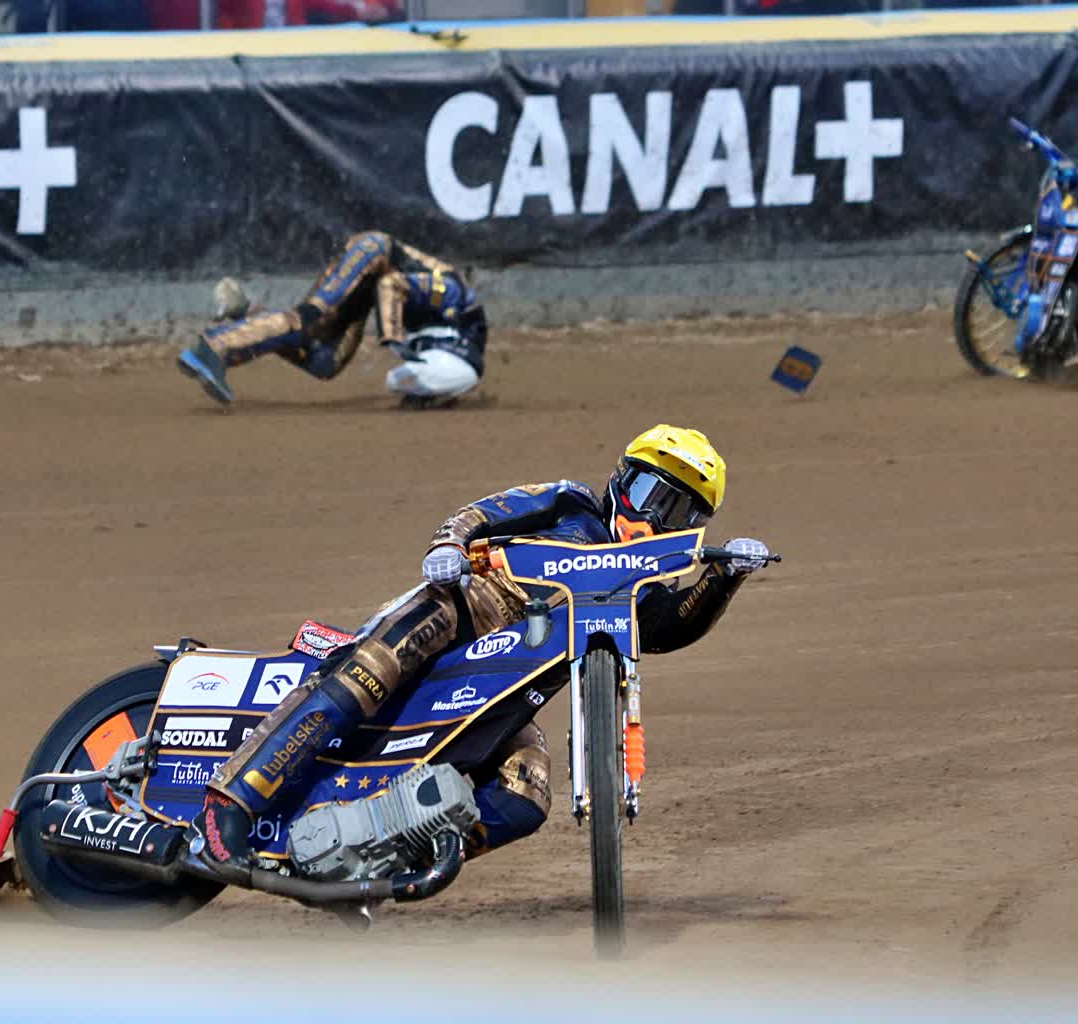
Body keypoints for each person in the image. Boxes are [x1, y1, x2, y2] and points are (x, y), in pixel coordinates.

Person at [189, 424, 773, 868]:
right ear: (622, 479)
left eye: (680, 512)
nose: (655, 518)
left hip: (506, 692)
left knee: (528, 792)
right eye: (651, 493)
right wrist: (448, 547)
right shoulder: (570, 502)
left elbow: (672, 628)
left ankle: (383, 858)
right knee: (370, 670)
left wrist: (725, 577)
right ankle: (230, 804)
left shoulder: (643, 588)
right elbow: (482, 513)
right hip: (461, 612)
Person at [176, 231, 486, 410]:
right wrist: (392, 337)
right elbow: (392, 285)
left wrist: (429, 394)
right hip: (372, 255)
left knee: (325, 362)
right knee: (309, 320)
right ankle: (213, 347)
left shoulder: (444, 328)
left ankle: (247, 313)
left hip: (369, 288)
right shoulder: (453, 293)